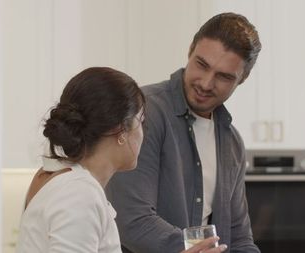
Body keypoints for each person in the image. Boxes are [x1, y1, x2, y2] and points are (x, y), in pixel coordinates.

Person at [16, 67, 228, 253]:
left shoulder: (59, 179)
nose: (143, 133)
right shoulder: (80, 193)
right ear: (121, 131)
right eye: (141, 121)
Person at [105, 12, 262, 253]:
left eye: (223, 76)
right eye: (202, 65)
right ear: (190, 51)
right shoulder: (143, 113)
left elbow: (238, 238)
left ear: (242, 79)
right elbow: (131, 221)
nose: (206, 83)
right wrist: (203, 248)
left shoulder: (233, 143)